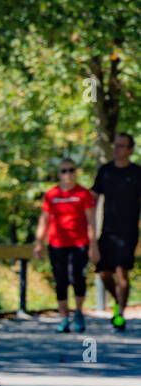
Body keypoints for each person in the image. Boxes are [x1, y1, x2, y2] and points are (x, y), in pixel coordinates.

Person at [35, 159, 95, 333]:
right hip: (57, 243)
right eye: (64, 171)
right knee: (60, 280)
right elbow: (44, 220)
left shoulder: (84, 194)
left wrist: (94, 246)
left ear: (76, 172)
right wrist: (38, 243)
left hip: (79, 243)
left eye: (71, 170)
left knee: (76, 277)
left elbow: (91, 221)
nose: (67, 174)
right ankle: (63, 317)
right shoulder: (52, 194)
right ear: (59, 173)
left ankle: (78, 312)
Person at [90, 132, 141, 332]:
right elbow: (92, 197)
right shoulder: (106, 171)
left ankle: (119, 314)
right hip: (107, 231)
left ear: (130, 150)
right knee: (103, 272)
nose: (117, 149)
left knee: (122, 273)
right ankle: (118, 301)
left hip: (128, 232)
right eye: (116, 145)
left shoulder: (137, 173)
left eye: (121, 146)